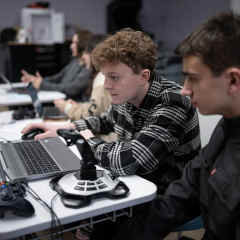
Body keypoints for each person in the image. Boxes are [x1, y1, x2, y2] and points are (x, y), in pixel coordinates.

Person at [22, 28, 201, 239]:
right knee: (72, 204)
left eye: (114, 77)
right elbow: (105, 121)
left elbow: (131, 159)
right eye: (105, 77)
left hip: (169, 195)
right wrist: (64, 129)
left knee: (99, 225)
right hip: (136, 183)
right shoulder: (126, 94)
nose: (107, 86)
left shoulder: (172, 102)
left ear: (144, 76)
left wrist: (84, 140)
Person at [117, 11, 240, 240]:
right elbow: (186, 189)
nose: (184, 89)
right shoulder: (228, 125)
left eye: (193, 78)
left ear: (233, 81)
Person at [21, 29, 92, 101]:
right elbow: (58, 77)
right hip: (62, 102)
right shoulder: (75, 62)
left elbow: (71, 89)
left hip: (71, 105)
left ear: (82, 45)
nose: (71, 46)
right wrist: (37, 80)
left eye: (74, 43)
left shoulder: (87, 68)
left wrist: (42, 84)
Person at [54, 34, 112, 121]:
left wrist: (67, 107)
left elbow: (92, 115)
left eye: (86, 52)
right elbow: (97, 108)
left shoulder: (102, 79)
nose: (83, 56)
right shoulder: (100, 76)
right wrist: (78, 106)